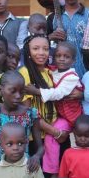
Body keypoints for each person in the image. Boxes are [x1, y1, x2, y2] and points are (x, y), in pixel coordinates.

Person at [24, 41, 83, 176]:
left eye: (66, 56)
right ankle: (52, 171)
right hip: (60, 115)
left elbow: (57, 93)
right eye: (58, 56)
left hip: (70, 117)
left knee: (52, 139)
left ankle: (53, 172)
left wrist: (36, 91)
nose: (61, 59)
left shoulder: (71, 77)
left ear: (73, 60)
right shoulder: (53, 71)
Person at [19, 34, 70, 168]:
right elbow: (29, 111)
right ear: (28, 51)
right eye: (36, 49)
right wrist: (55, 132)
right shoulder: (25, 73)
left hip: (55, 134)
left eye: (45, 49)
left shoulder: (50, 72)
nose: (41, 53)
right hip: (37, 138)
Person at [0, 70, 43, 170]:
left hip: (23, 166)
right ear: (0, 90)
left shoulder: (31, 114)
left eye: (22, 92)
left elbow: (40, 147)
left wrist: (36, 157)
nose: (18, 96)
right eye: (13, 91)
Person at [47, 0, 89, 77]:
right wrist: (50, 37)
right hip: (60, 78)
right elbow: (43, 44)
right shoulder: (52, 17)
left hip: (86, 76)